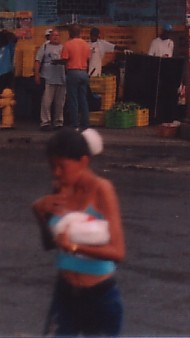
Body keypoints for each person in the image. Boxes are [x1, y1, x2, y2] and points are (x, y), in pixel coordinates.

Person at [32, 128, 125, 336]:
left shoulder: (102, 189)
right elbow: (50, 244)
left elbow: (118, 253)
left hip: (99, 298)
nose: (56, 173)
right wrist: (38, 211)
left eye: (62, 167)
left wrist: (74, 247)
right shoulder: (60, 189)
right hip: (65, 293)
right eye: (52, 166)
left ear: (83, 162)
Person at [61, 24, 92, 129]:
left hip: (73, 72)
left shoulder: (68, 44)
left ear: (70, 33)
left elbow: (65, 59)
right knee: (83, 99)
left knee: (73, 99)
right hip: (84, 72)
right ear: (80, 32)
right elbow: (88, 59)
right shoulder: (86, 44)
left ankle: (74, 124)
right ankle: (85, 124)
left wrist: (57, 62)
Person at [36, 29, 67, 131]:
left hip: (61, 79)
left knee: (60, 103)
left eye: (57, 35)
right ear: (50, 37)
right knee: (46, 102)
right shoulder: (44, 46)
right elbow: (38, 61)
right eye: (53, 35)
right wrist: (37, 74)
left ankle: (58, 122)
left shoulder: (63, 47)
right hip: (48, 78)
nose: (55, 37)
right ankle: (45, 122)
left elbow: (67, 61)